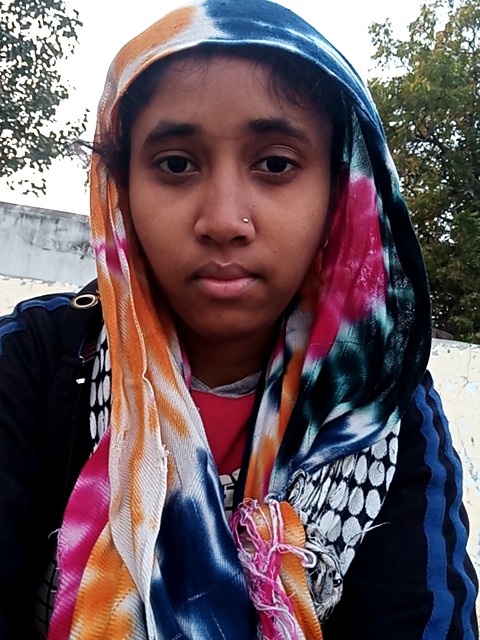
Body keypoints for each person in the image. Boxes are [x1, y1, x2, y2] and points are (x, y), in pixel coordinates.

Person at [0, 0, 477, 638]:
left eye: (275, 164)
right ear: (121, 187)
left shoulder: (385, 404)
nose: (224, 220)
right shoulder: (36, 361)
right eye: (176, 164)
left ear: (339, 191)